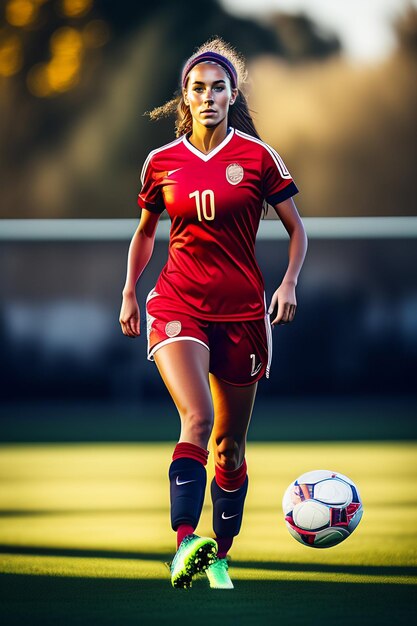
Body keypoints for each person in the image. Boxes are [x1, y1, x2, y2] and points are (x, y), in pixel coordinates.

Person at [119, 37, 308, 590]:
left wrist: (289, 281)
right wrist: (131, 289)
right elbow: (145, 232)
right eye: (197, 88)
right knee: (196, 419)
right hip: (177, 303)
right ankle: (184, 544)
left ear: (231, 96)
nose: (207, 97)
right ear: (185, 97)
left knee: (229, 445)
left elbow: (297, 229)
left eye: (217, 88)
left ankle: (219, 554)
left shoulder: (258, 157)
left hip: (245, 313)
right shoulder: (162, 162)